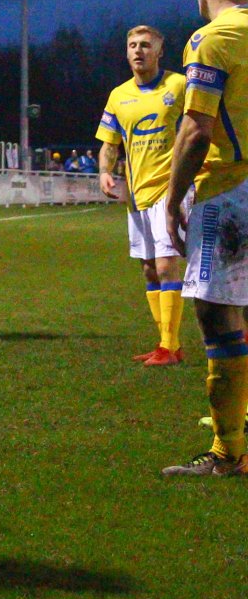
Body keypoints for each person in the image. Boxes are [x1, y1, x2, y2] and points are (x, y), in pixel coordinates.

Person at [162, 0, 248, 475]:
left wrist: (173, 198)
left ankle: (226, 454)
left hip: (230, 192)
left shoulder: (212, 38)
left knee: (217, 316)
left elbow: (196, 128)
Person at [94, 25, 188, 367]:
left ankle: (170, 345)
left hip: (171, 188)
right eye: (133, 45)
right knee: (149, 269)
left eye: (146, 45)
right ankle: (166, 342)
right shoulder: (119, 96)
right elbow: (109, 144)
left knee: (166, 264)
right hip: (137, 193)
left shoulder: (178, 86)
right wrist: (105, 171)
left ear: (159, 51)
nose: (138, 50)